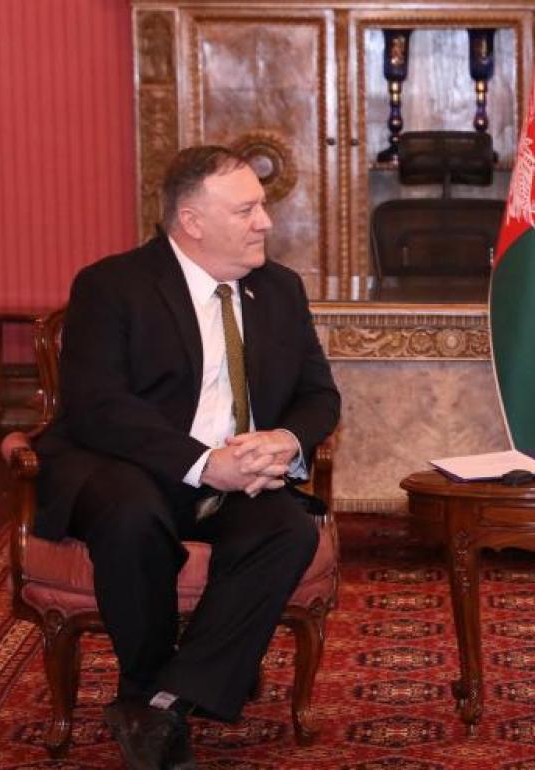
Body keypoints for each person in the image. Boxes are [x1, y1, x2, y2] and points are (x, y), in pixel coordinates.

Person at [35, 146, 340, 770]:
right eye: (246, 210)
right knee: (132, 515)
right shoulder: (111, 285)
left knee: (287, 531)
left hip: (238, 477)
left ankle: (159, 705)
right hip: (127, 466)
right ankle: (148, 683)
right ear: (192, 221)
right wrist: (203, 463)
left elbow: (319, 396)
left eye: (262, 207)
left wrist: (285, 441)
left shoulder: (279, 289)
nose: (265, 223)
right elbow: (98, 407)